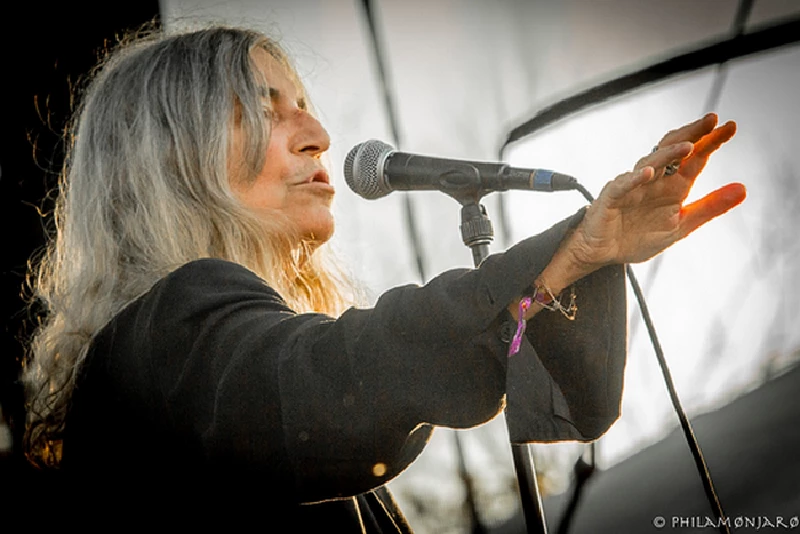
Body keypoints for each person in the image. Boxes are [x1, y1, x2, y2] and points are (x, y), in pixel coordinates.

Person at [21, 25, 745, 530]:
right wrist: (572, 255)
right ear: (177, 159)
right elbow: (337, 377)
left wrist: (575, 260)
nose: (318, 135)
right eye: (268, 110)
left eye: (305, 105)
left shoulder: (201, 359)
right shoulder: (163, 336)